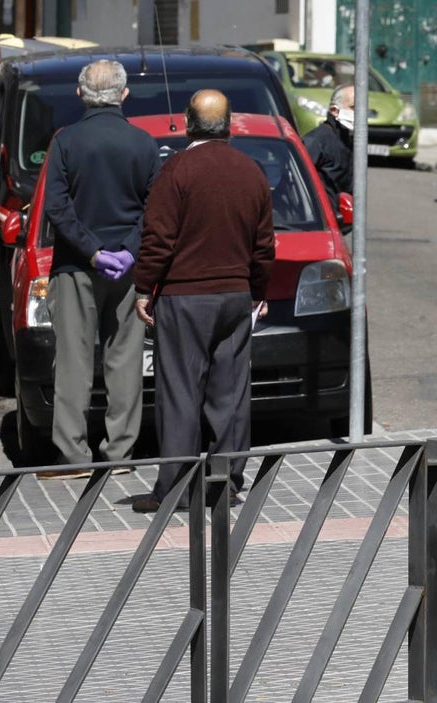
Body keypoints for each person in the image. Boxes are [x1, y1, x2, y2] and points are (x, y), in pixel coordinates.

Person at [131, 89, 275, 513]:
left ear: (188, 123)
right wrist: (258, 290)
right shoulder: (251, 172)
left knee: (179, 390)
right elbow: (264, 245)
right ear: (228, 124)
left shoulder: (175, 170)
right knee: (230, 391)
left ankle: (173, 486)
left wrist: (144, 288)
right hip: (234, 297)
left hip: (184, 296)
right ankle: (225, 483)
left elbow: (158, 239)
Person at [41, 59, 162, 475]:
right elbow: (154, 208)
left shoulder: (65, 142)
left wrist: (92, 251)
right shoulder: (144, 144)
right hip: (128, 271)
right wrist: (128, 250)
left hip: (76, 266)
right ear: (124, 94)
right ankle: (119, 456)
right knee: (125, 361)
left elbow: (56, 207)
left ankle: (73, 456)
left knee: (73, 362)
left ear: (80, 94)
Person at [302, 84, 355, 207]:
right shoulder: (316, 141)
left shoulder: (347, 138)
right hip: (324, 216)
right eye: (353, 107)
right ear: (334, 111)